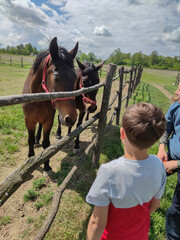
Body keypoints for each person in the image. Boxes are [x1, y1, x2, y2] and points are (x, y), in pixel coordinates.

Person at [86, 102, 167, 240]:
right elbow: (155, 205)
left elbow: (97, 223)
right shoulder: (159, 166)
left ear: (122, 133)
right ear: (155, 140)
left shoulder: (109, 172)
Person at [157, 82, 180, 240]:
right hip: (171, 155)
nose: (177, 91)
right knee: (152, 176)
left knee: (176, 209)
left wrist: (177, 164)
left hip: (176, 162)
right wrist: (161, 147)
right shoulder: (177, 106)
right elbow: (167, 126)